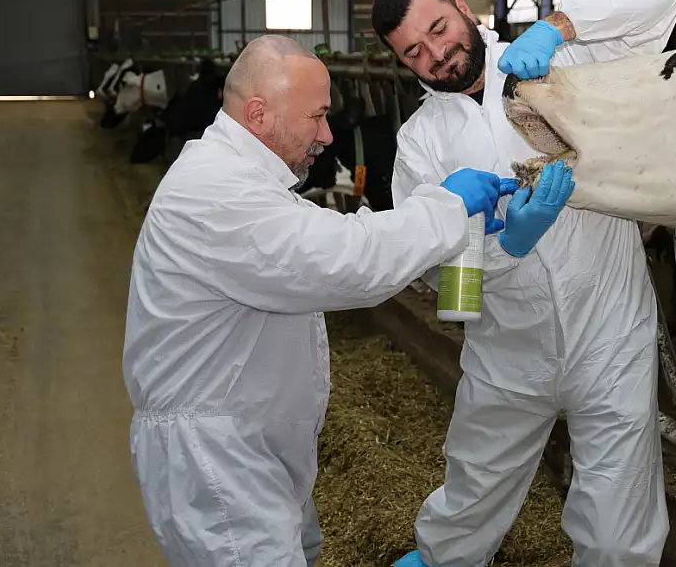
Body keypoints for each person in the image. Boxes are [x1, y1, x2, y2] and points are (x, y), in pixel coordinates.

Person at [121, 34, 524, 567]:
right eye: (316, 117)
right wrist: (447, 208)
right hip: (218, 460)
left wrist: (440, 219)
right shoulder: (217, 194)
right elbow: (348, 260)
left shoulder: (242, 180)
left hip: (250, 440)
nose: (328, 134)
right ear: (259, 115)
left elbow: (329, 239)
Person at [371, 0, 676, 567]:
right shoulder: (421, 144)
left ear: (463, 7)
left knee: (619, 530)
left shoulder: (562, 62)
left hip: (608, 333)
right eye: (414, 51)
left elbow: (661, 0)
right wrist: (507, 247)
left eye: (439, 28)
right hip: (506, 346)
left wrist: (554, 26)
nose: (437, 54)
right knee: (470, 498)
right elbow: (437, 278)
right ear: (399, 61)